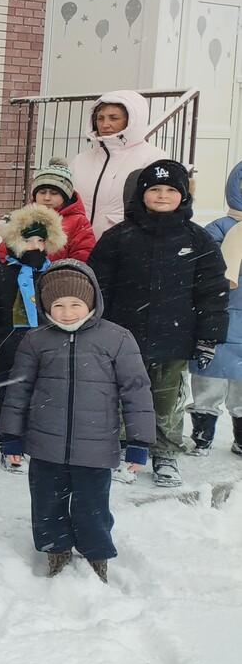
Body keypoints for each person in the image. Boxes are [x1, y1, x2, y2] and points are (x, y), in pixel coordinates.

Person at [0, 261, 156, 582]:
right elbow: (17, 392)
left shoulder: (117, 339)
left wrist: (139, 443)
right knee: (47, 503)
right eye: (58, 305)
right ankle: (56, 551)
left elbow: (137, 392)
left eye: (75, 304)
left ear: (91, 301)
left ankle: (97, 555)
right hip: (45, 444)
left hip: (96, 446)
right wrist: (11, 437)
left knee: (92, 507)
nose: (67, 312)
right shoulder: (36, 340)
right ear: (46, 306)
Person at [89, 160, 228, 487]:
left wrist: (208, 337)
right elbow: (97, 285)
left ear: (184, 196)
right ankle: (124, 445)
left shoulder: (198, 240)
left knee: (166, 401)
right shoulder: (118, 237)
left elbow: (212, 292)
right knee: (121, 395)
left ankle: (165, 452)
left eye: (170, 190)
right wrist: (95, 325)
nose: (162, 195)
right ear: (142, 194)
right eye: (154, 189)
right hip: (122, 338)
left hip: (174, 339)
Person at [0, 204, 67, 473]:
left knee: (43, 398)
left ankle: (38, 441)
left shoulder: (55, 276)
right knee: (11, 399)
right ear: (15, 241)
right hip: (10, 350)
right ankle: (10, 444)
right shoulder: (0, 276)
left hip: (48, 351)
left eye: (40, 241)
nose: (35, 246)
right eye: (28, 240)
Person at [188, 161, 242, 457]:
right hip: (221, 313)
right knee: (209, 377)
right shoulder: (220, 227)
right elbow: (206, 266)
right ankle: (202, 433)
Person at [71, 90, 168, 240]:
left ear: (132, 121)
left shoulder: (153, 158)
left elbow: (160, 207)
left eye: (114, 118)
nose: (105, 124)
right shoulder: (81, 160)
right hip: (78, 245)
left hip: (123, 245)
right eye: (100, 118)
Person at [17, 156, 96, 263]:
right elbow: (6, 250)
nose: (47, 198)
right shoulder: (24, 217)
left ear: (65, 197)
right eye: (42, 192)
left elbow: (83, 256)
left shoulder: (78, 222)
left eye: (54, 193)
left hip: (61, 272)